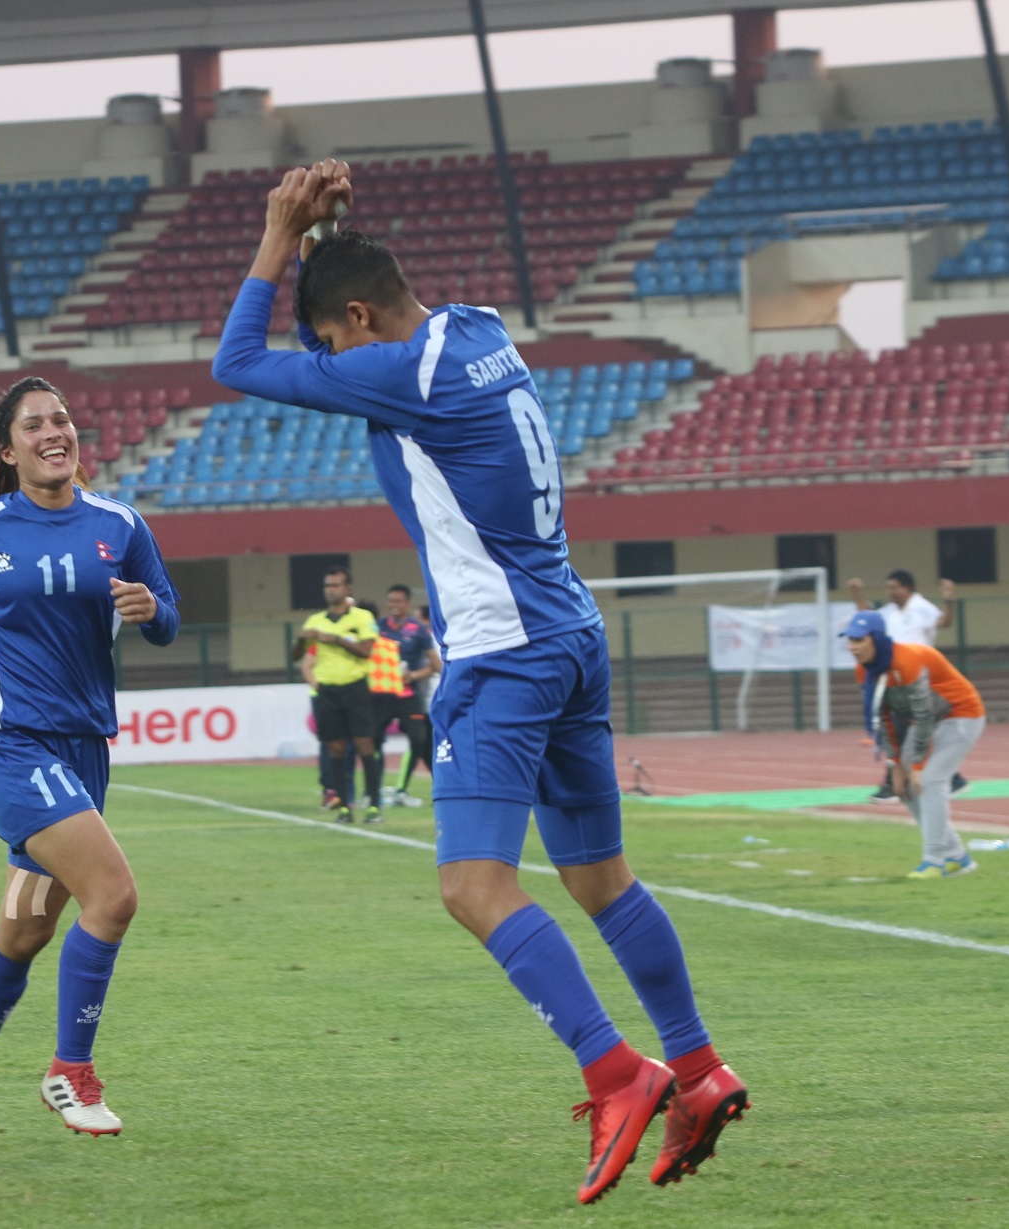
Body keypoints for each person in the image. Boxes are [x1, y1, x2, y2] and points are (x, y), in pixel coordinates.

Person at [213, 161, 746, 1205]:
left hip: (500, 655)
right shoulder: (474, 327)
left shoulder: (390, 369)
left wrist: (277, 234)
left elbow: (235, 360)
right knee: (600, 879)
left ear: (359, 320)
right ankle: (695, 1066)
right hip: (570, 634)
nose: (323, 365)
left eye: (326, 342)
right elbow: (362, 296)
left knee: (471, 885)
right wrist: (329, 235)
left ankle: (614, 1069)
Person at [0, 376, 181, 1152]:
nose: (54, 431)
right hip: (11, 743)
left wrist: (154, 613)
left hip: (85, 749)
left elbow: (167, 608)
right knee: (113, 895)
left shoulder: (119, 523)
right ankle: (71, 1071)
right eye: (34, 424)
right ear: (9, 446)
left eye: (61, 419)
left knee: (23, 933)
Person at [843, 611, 984, 879]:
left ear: (875, 639)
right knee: (904, 786)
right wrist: (894, 764)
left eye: (859, 640)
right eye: (850, 639)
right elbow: (883, 716)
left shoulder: (906, 661)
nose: (852, 646)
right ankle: (957, 856)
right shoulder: (864, 670)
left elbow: (923, 715)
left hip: (961, 715)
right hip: (928, 721)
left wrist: (917, 764)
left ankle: (934, 860)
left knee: (930, 781)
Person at [847, 570, 964, 800]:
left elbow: (945, 621)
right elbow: (867, 618)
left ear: (907, 587)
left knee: (899, 727)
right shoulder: (889, 612)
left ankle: (894, 783)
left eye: (894, 587)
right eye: (887, 587)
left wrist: (949, 598)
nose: (890, 591)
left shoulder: (922, 607)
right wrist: (856, 594)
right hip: (895, 675)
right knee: (900, 728)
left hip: (917, 675)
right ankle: (951, 778)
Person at [301, 567, 385, 822]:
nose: (331, 590)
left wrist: (336, 639)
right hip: (327, 690)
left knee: (364, 745)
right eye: (328, 586)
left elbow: (366, 650)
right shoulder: (315, 620)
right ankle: (345, 807)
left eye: (336, 585)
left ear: (348, 588)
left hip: (355, 688)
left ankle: (373, 805)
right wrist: (300, 640)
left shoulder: (362, 617)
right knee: (335, 748)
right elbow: (302, 656)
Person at [373, 583, 440, 806]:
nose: (394, 605)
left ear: (407, 603)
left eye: (399, 601)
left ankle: (401, 790)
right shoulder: (378, 627)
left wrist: (413, 675)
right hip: (382, 694)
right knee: (371, 742)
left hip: (409, 696)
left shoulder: (418, 630)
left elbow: (435, 665)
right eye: (391, 601)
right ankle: (372, 792)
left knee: (419, 739)